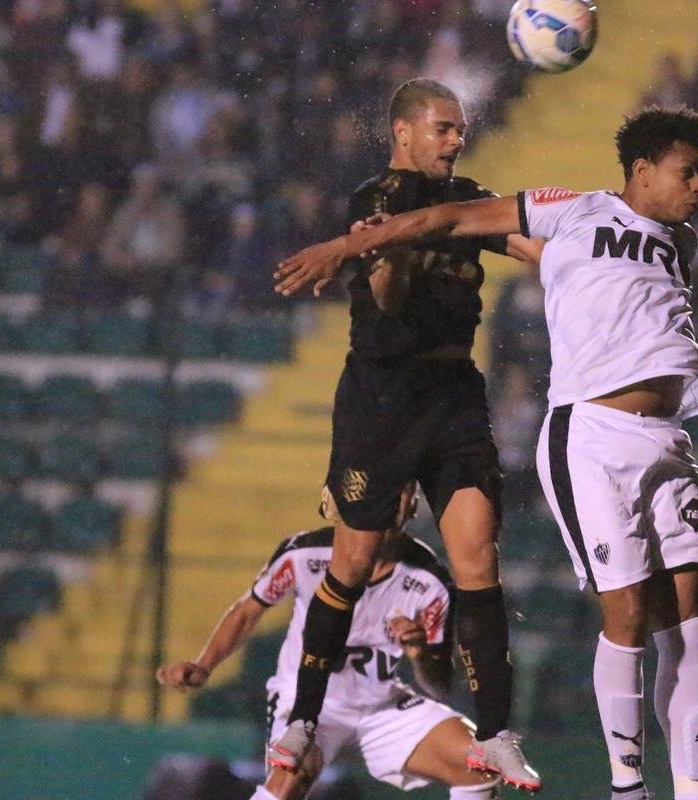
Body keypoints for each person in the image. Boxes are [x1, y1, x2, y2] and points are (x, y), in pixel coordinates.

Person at [275, 106, 698, 800]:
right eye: (686, 172)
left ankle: (685, 789)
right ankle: (626, 787)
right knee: (626, 614)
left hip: (670, 440)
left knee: (688, 626)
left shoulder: (678, 242)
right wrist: (346, 246)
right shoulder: (571, 209)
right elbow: (453, 219)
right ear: (641, 170)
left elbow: (582, 270)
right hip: (589, 434)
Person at [267, 78, 543, 792]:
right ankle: (302, 717)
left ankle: (496, 734)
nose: (456, 140)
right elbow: (384, 300)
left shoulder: (468, 198)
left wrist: (597, 254)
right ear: (404, 132)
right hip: (381, 398)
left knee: (476, 555)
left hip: (452, 392)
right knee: (354, 560)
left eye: (459, 130)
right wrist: (383, 257)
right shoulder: (375, 201)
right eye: (443, 128)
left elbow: (529, 244)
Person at [156, 484, 501, 800]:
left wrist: (420, 653)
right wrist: (204, 665)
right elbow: (247, 611)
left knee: (480, 763)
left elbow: (439, 685)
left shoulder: (431, 581)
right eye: (382, 485)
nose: (388, 500)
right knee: (291, 775)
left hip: (378, 703)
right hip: (307, 700)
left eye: (400, 491)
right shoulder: (303, 554)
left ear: (412, 504)